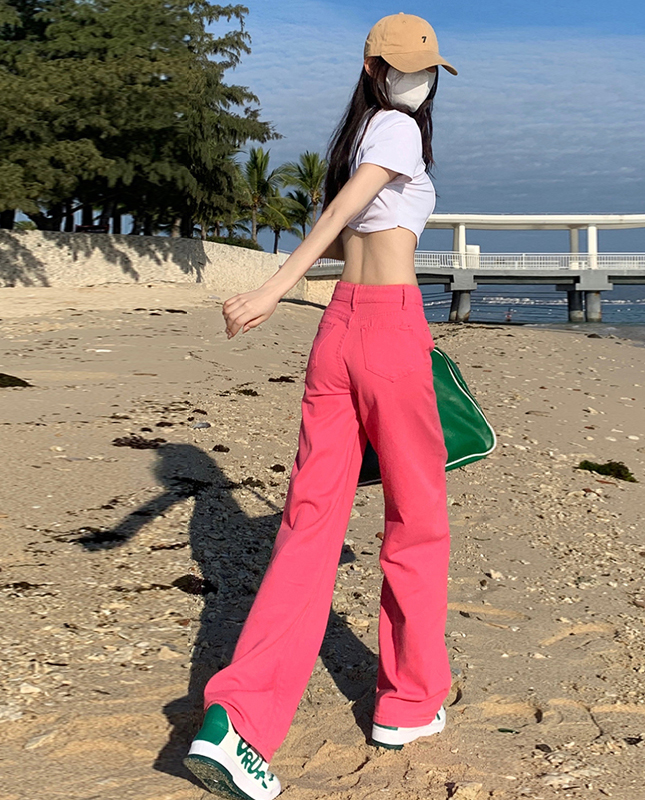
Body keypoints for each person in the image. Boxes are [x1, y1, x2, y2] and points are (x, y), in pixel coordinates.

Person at [183, 13, 458, 800]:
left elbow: (341, 229)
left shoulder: (361, 136)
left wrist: (298, 277)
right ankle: (407, 702)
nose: (419, 79)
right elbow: (339, 220)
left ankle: (237, 723)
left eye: (426, 68)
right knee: (416, 521)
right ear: (375, 68)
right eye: (408, 66)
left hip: (337, 334)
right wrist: (273, 288)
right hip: (389, 329)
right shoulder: (398, 130)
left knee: (308, 528)